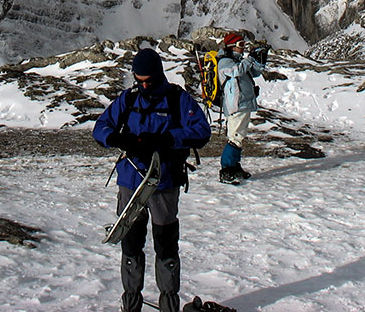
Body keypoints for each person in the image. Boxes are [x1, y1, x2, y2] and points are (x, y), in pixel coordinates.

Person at [94, 47, 212, 312]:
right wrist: (117, 139)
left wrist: (167, 139)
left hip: (164, 181)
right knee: (131, 243)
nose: (144, 85)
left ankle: (169, 304)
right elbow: (100, 127)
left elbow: (202, 131)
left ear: (159, 75)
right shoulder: (128, 99)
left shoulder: (176, 99)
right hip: (131, 180)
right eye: (139, 80)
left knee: (166, 243)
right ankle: (131, 304)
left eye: (149, 80)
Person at [217, 32, 267, 185]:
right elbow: (236, 71)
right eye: (240, 45)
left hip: (243, 103)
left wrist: (260, 60)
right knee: (235, 137)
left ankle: (234, 166)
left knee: (239, 136)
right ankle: (226, 170)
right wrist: (250, 58)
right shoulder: (225, 62)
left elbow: (254, 72)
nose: (243, 48)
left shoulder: (236, 61)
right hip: (236, 105)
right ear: (231, 46)